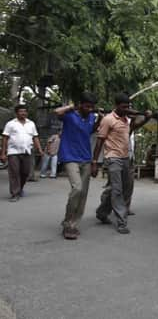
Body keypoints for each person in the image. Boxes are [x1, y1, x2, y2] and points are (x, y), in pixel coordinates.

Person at [92, 93, 151, 234]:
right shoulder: (108, 119)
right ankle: (121, 222)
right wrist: (94, 162)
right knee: (117, 189)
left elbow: (134, 127)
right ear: (117, 106)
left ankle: (102, 212)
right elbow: (100, 141)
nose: (126, 109)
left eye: (128, 107)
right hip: (113, 158)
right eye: (124, 107)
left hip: (126, 158)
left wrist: (146, 118)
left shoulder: (126, 120)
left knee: (125, 189)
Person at [55, 93, 101, 240]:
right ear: (80, 104)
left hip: (86, 158)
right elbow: (57, 112)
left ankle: (73, 224)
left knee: (83, 194)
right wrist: (71, 106)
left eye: (91, 106)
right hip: (69, 157)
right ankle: (67, 223)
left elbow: (90, 131)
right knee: (77, 188)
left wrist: (99, 119)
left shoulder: (91, 117)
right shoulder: (70, 115)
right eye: (87, 106)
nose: (90, 109)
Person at [1, 105, 44, 202]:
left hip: (27, 151)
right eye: (21, 111)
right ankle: (15, 193)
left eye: (25, 111)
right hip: (13, 152)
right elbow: (5, 138)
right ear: (16, 113)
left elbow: (35, 137)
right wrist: (3, 153)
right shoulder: (11, 124)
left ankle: (20, 188)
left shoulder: (31, 124)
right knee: (14, 173)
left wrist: (40, 149)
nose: (23, 113)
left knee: (25, 172)